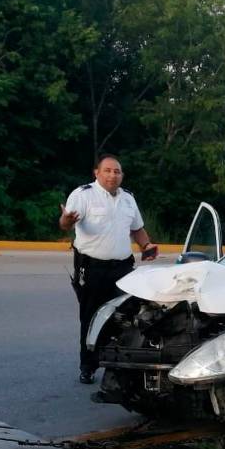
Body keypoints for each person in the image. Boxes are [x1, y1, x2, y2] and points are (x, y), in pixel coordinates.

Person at [59, 154, 158, 384]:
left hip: (123, 267)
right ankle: (88, 366)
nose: (113, 175)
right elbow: (65, 224)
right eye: (108, 170)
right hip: (92, 268)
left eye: (117, 171)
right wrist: (66, 220)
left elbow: (137, 229)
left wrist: (146, 244)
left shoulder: (128, 199)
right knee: (91, 317)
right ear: (97, 172)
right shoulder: (83, 195)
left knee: (126, 316)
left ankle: (120, 365)